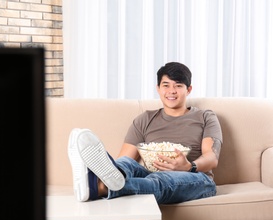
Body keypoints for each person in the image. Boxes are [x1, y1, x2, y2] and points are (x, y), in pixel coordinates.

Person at [68, 62, 222, 204]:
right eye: (166, 85)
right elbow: (126, 159)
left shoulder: (205, 116)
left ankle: (98, 186)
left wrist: (190, 166)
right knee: (127, 164)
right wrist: (117, 168)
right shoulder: (145, 119)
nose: (171, 91)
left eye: (178, 86)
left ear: (188, 89)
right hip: (149, 176)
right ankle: (97, 178)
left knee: (160, 179)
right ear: (158, 88)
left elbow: (211, 157)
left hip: (197, 179)